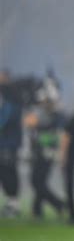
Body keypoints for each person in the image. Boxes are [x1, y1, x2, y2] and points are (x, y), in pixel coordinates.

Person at [24, 99, 65, 219]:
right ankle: (38, 209)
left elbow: (56, 136)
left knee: (37, 181)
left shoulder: (57, 116)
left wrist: (40, 139)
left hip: (48, 153)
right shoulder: (39, 114)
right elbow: (30, 129)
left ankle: (57, 204)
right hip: (37, 153)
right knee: (38, 182)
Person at [0, 82, 22, 218]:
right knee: (4, 173)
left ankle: (13, 203)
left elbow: (2, 122)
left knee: (9, 172)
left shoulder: (10, 107)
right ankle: (11, 202)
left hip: (9, 146)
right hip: (4, 145)